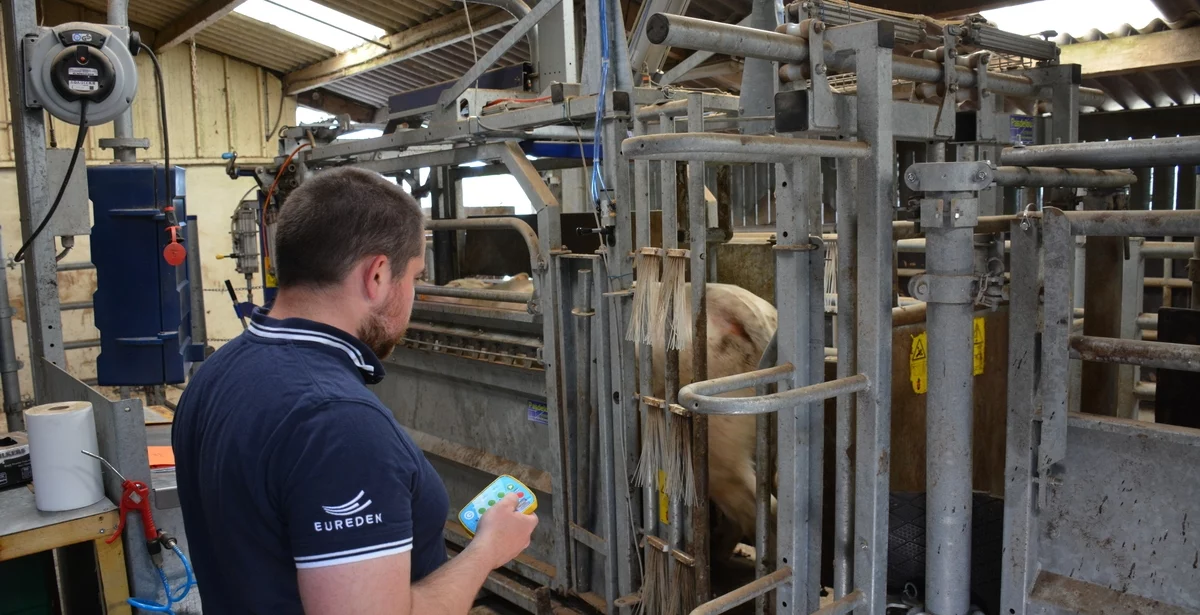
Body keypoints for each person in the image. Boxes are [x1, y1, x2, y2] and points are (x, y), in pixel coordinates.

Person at [172, 166, 538, 614]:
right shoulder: (337, 424)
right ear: (378, 275)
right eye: (415, 278)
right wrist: (487, 550)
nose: (412, 298)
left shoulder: (218, 374)